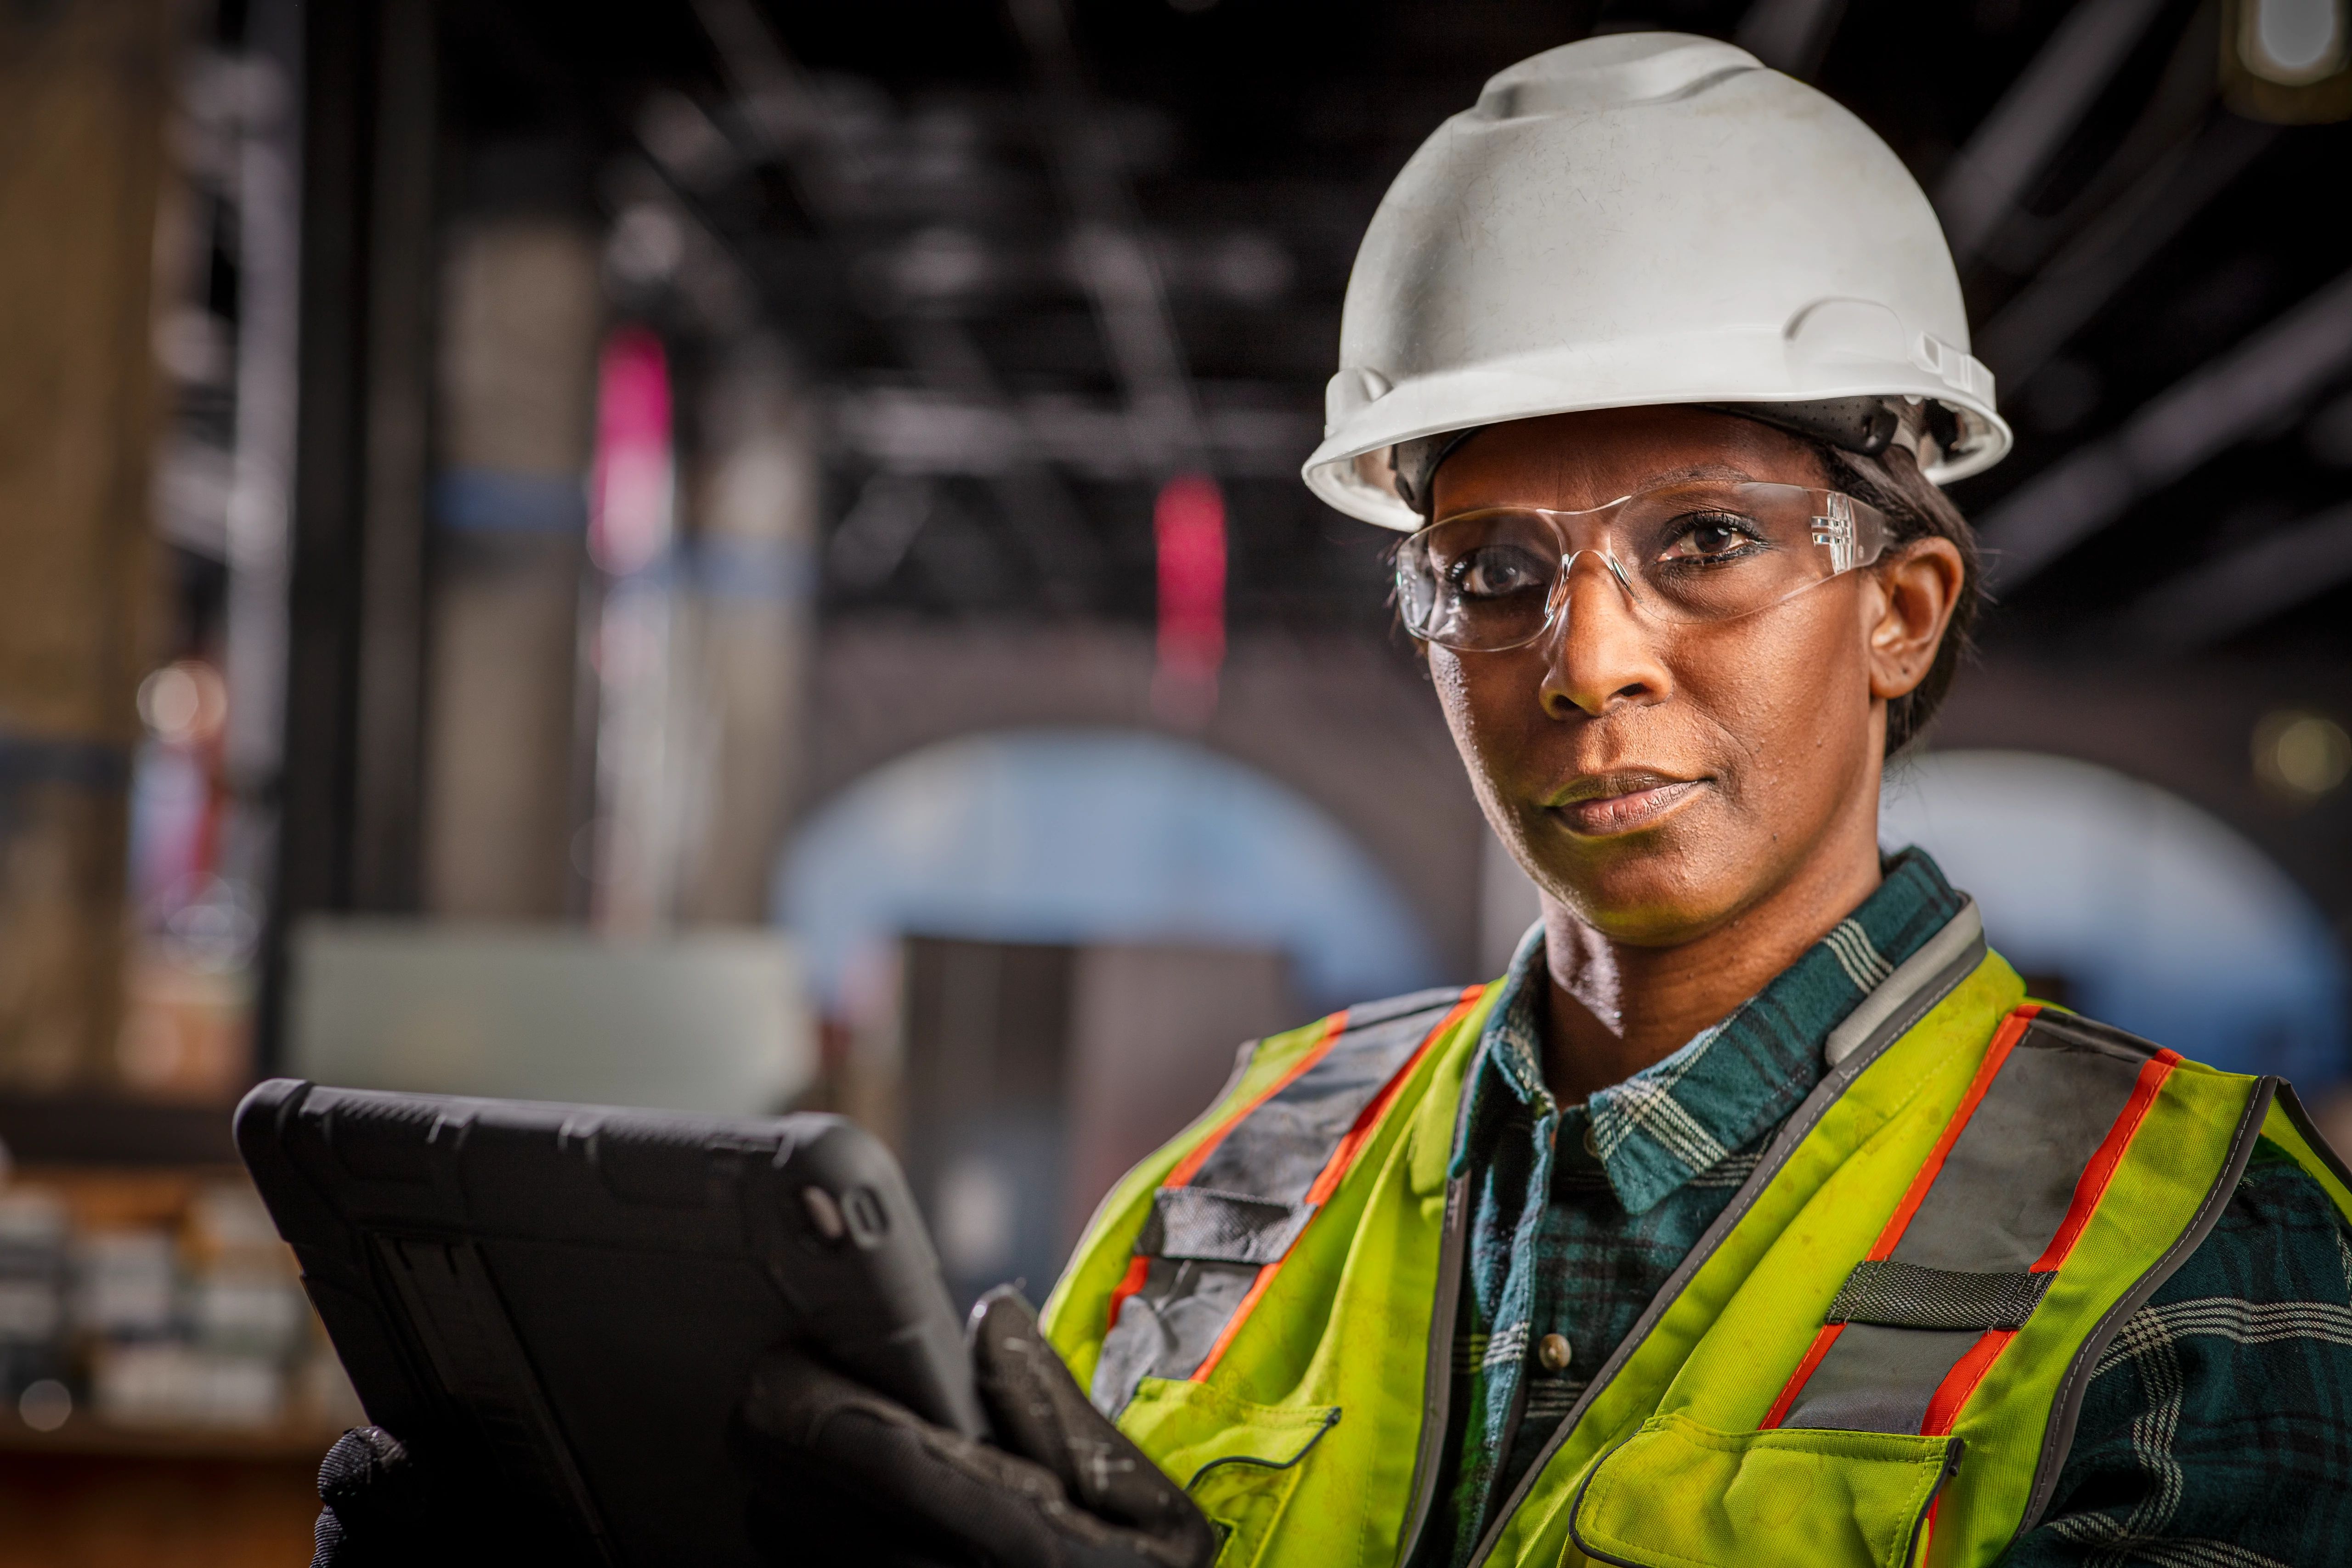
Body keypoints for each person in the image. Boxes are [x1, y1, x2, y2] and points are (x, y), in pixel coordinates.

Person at [310, 31, 2352, 1568]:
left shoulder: (2195, 1250)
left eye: (1706, 539)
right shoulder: (1239, 1175)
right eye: (1491, 571)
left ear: (1898, 607)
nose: (1585, 657)